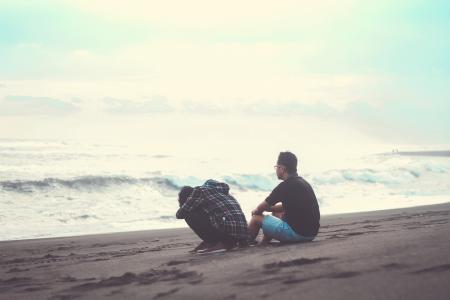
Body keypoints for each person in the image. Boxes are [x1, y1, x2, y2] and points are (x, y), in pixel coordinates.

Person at [248, 151, 320, 244]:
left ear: (282, 169)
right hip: (311, 234)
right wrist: (271, 209)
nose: (276, 170)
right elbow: (290, 205)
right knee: (276, 212)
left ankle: (245, 243)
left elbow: (261, 207)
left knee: (255, 218)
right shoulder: (303, 183)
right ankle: (264, 242)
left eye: (276, 167)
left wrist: (257, 212)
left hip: (297, 234)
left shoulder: (284, 186)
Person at [176, 179, 250, 253]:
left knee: (188, 214)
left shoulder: (199, 191)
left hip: (229, 233)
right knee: (204, 209)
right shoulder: (221, 192)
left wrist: (186, 205)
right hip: (242, 233)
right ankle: (212, 242)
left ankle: (214, 242)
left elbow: (180, 214)